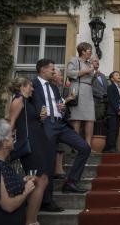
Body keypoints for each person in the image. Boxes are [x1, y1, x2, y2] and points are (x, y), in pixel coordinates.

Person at [31, 59, 90, 198]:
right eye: (52, 69)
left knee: (85, 147)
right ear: (43, 69)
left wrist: (62, 109)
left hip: (61, 125)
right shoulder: (32, 84)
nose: (54, 71)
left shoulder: (53, 87)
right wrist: (36, 116)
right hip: (46, 124)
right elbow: (26, 105)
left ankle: (70, 182)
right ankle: (47, 199)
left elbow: (60, 106)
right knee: (49, 160)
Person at [8, 77, 51, 222]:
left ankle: (32, 220)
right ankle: (31, 221)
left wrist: (40, 118)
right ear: (22, 87)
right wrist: (8, 145)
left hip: (37, 143)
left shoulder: (26, 101)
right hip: (30, 145)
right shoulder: (18, 100)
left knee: (42, 180)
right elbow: (11, 124)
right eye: (30, 86)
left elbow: (28, 121)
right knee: (39, 180)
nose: (32, 89)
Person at [0, 119, 35, 225]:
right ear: (4, 143)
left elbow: (1, 185)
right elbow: (8, 206)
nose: (13, 138)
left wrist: (22, 181)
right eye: (11, 136)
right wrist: (26, 191)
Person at [66, 42, 96, 146]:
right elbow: (69, 73)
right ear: (82, 51)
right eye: (89, 51)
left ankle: (88, 145)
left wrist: (94, 70)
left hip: (88, 91)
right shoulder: (74, 60)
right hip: (78, 89)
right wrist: (87, 70)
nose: (90, 53)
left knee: (90, 118)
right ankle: (76, 145)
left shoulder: (88, 63)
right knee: (76, 118)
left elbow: (91, 78)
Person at [104, 71, 120, 153]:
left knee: (116, 130)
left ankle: (114, 146)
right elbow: (111, 100)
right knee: (112, 130)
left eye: (119, 75)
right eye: (116, 75)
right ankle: (110, 147)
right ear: (112, 79)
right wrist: (118, 110)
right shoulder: (110, 87)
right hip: (113, 112)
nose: (119, 76)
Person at [51, 68, 66, 179]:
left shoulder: (57, 88)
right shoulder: (49, 88)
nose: (62, 77)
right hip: (51, 121)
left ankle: (58, 170)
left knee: (60, 147)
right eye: (60, 75)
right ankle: (57, 170)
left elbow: (59, 105)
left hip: (59, 120)